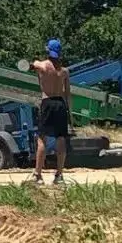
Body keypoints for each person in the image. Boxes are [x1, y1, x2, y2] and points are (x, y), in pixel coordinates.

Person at [32, 39, 71, 185]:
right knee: (61, 139)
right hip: (60, 104)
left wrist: (34, 62)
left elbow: (34, 64)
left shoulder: (43, 66)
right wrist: (70, 114)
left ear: (48, 51)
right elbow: (67, 93)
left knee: (42, 139)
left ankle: (38, 175)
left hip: (47, 102)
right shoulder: (65, 71)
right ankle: (59, 175)